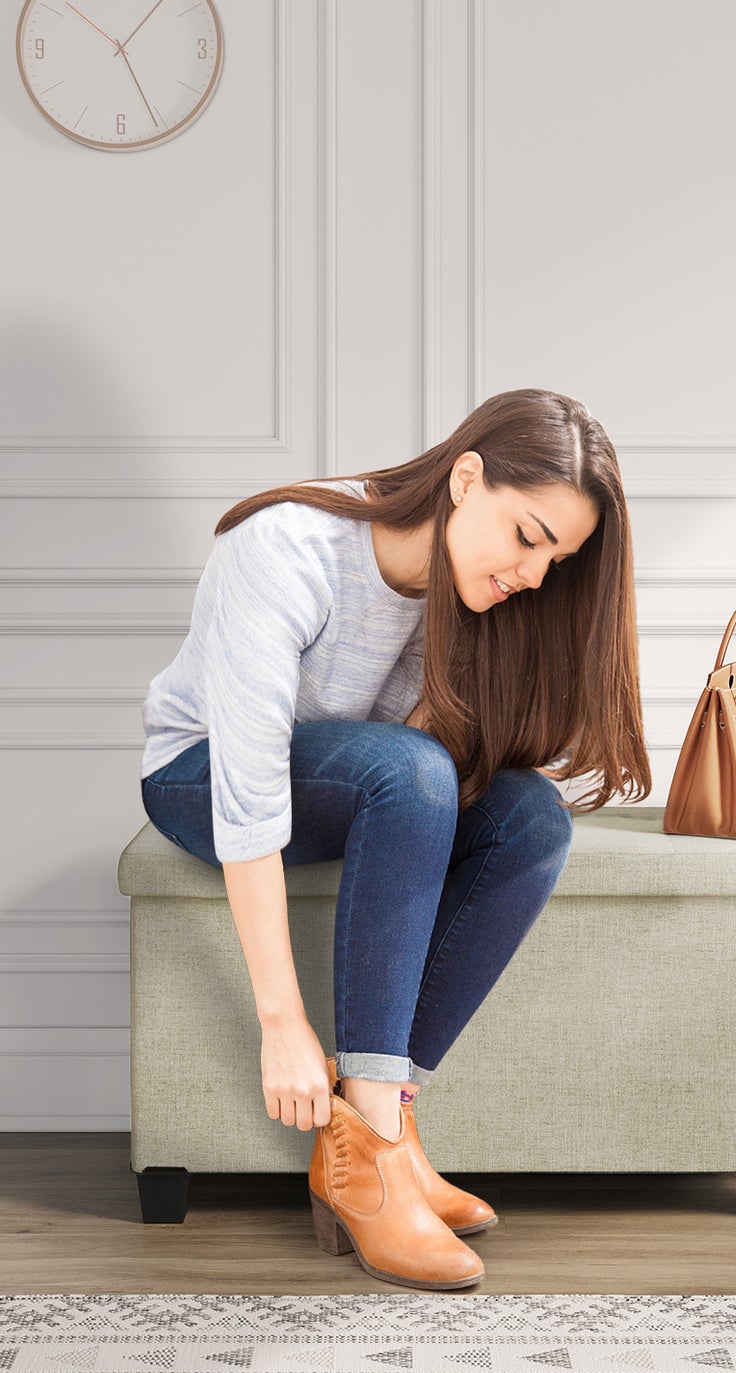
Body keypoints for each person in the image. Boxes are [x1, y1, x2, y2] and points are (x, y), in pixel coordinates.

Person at [139, 387, 651, 1290]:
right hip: (201, 771)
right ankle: (374, 1154)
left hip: (355, 781)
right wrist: (282, 1022)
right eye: (528, 535)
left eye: (557, 558)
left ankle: (379, 1132)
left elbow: (439, 778)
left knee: (529, 816)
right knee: (408, 770)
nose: (534, 574)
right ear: (464, 478)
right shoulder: (287, 547)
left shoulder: (472, 599)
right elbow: (251, 786)